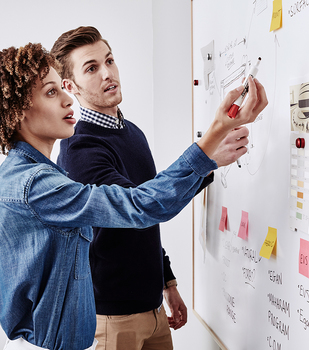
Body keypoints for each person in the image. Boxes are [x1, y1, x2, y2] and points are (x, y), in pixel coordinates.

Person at [0, 43, 267, 350]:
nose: (66, 99)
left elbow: (145, 206)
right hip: (78, 331)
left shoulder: (31, 174)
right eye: (51, 92)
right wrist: (215, 133)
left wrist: (166, 280)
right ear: (19, 109)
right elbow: (140, 205)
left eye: (110, 61)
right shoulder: (37, 185)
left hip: (114, 316)